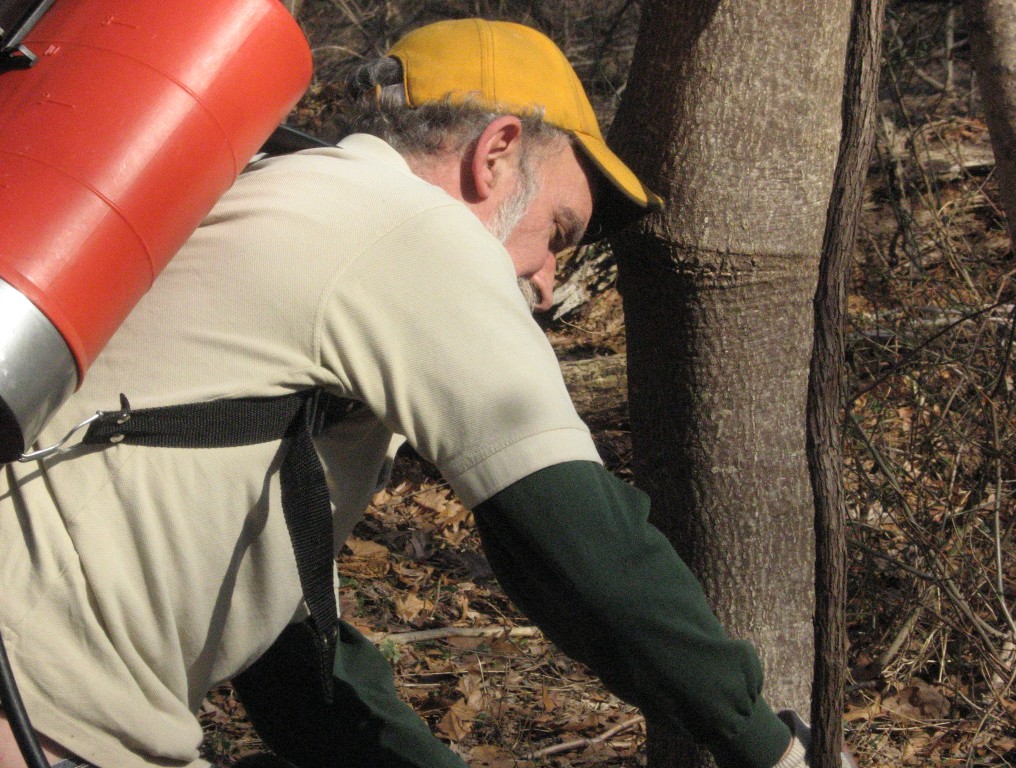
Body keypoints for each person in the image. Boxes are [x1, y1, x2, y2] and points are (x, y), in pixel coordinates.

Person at [0, 18, 852, 768]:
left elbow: (300, 668)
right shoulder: (408, 227)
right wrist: (765, 745)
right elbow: (580, 547)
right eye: (558, 234)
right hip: (50, 711)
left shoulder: (278, 209)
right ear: (496, 153)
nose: (549, 284)